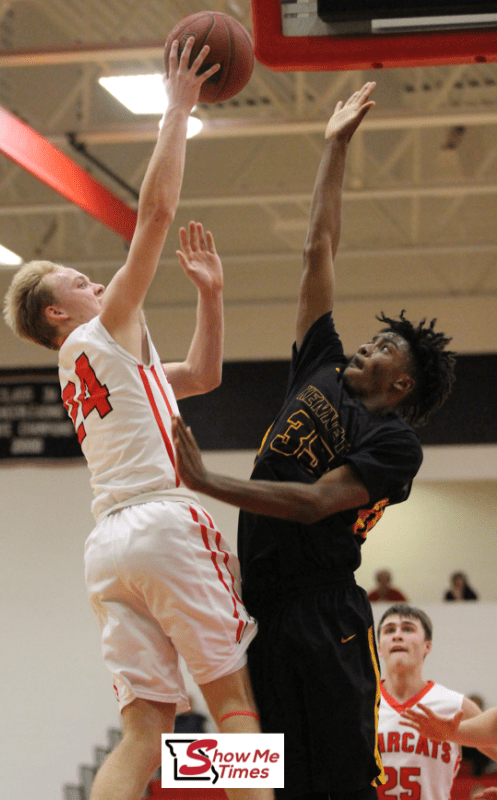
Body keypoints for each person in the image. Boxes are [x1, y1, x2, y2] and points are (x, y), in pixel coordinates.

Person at [3, 38, 272, 800]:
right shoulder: (97, 329)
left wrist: (211, 298)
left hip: (108, 550)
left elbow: (201, 377)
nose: (100, 282)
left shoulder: (86, 366)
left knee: (146, 731)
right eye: (81, 280)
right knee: (233, 704)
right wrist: (177, 108)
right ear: (59, 311)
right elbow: (154, 214)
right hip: (161, 523)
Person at [172, 81, 456, 800]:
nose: (370, 341)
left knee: (335, 783)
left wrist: (205, 480)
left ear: (401, 385)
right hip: (257, 607)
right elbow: (315, 249)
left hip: (323, 613)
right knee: (256, 776)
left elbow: (310, 503)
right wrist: (332, 149)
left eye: (387, 346)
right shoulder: (319, 364)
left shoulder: (393, 444)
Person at [376, 603, 497, 800]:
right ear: (380, 648)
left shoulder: (457, 706)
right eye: (389, 630)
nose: (397, 635)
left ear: (428, 645)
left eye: (407, 628)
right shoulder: (359, 705)